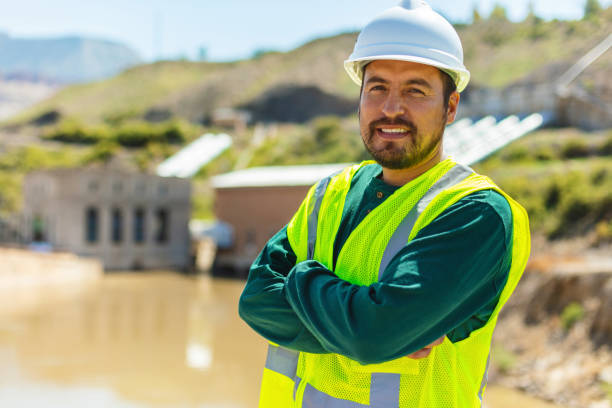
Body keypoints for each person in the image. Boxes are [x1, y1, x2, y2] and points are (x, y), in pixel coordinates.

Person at [239, 0, 530, 406]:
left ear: (450, 107)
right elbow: (255, 300)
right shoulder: (331, 193)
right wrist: (363, 323)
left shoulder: (475, 213)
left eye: (415, 90)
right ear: (359, 97)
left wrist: (300, 280)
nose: (392, 108)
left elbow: (374, 334)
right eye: (377, 88)